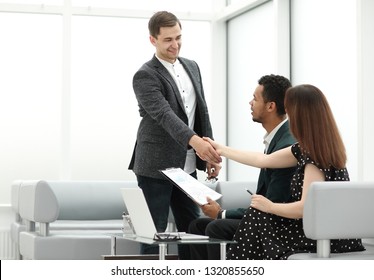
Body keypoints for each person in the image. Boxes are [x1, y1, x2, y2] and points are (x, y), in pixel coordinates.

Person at [205, 84, 365, 259]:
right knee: (256, 215)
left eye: (290, 112)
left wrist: (270, 206)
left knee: (257, 216)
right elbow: (263, 160)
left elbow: (305, 208)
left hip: (327, 237)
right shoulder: (306, 149)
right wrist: (220, 149)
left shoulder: (316, 158)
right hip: (312, 231)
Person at [128, 11, 221, 259]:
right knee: (152, 235)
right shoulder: (145, 75)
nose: (175, 44)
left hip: (187, 165)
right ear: (153, 40)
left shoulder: (192, 66)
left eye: (178, 37)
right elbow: (165, 115)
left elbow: (201, 112)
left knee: (193, 229)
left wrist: (208, 154)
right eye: (168, 39)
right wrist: (197, 143)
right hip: (154, 166)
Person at [188, 74, 296, 259]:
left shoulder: (288, 143)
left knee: (216, 226)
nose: (250, 103)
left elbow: (273, 204)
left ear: (271, 106)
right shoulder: (276, 139)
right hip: (269, 216)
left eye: (255, 98)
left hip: (280, 224)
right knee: (197, 226)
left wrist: (222, 214)